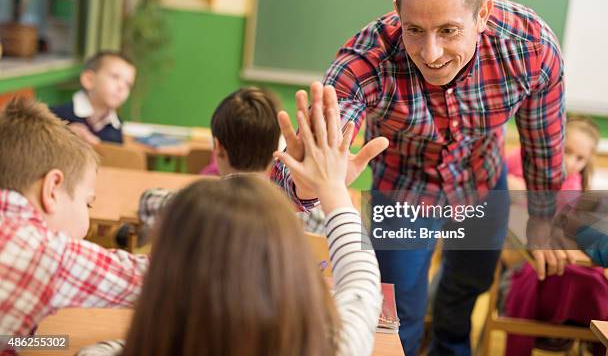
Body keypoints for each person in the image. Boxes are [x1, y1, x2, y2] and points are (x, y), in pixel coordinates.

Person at [272, 0, 569, 354]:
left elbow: (543, 141)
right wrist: (307, 183)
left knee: (468, 285)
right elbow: (317, 153)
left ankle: (447, 342)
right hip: (403, 186)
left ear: (482, 15)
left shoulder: (530, 47)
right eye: (414, 30)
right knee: (398, 312)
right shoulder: (368, 58)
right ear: (396, 12)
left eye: (448, 31)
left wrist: (542, 218)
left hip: (481, 177)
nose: (430, 54)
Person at [77, 83, 383, 356]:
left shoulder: (193, 208)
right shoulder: (331, 348)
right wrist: (331, 189)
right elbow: (361, 289)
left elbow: (148, 201)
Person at [0, 99, 148, 351]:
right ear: (52, 190)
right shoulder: (44, 252)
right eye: (87, 203)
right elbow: (156, 278)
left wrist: (49, 342)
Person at [120, 87, 329, 250]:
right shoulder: (304, 212)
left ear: (218, 147)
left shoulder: (194, 203)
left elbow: (148, 200)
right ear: (277, 147)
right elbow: (354, 234)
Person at [503, 116, 608, 355]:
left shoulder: (573, 186)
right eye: (566, 151)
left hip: (540, 256)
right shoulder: (521, 157)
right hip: (508, 247)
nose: (571, 162)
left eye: (580, 158)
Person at [51, 51, 136, 145]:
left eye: (128, 84)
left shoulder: (116, 127)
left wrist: (98, 146)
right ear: (89, 80)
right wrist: (61, 135)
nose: (122, 87)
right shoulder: (55, 115)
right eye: (115, 77)